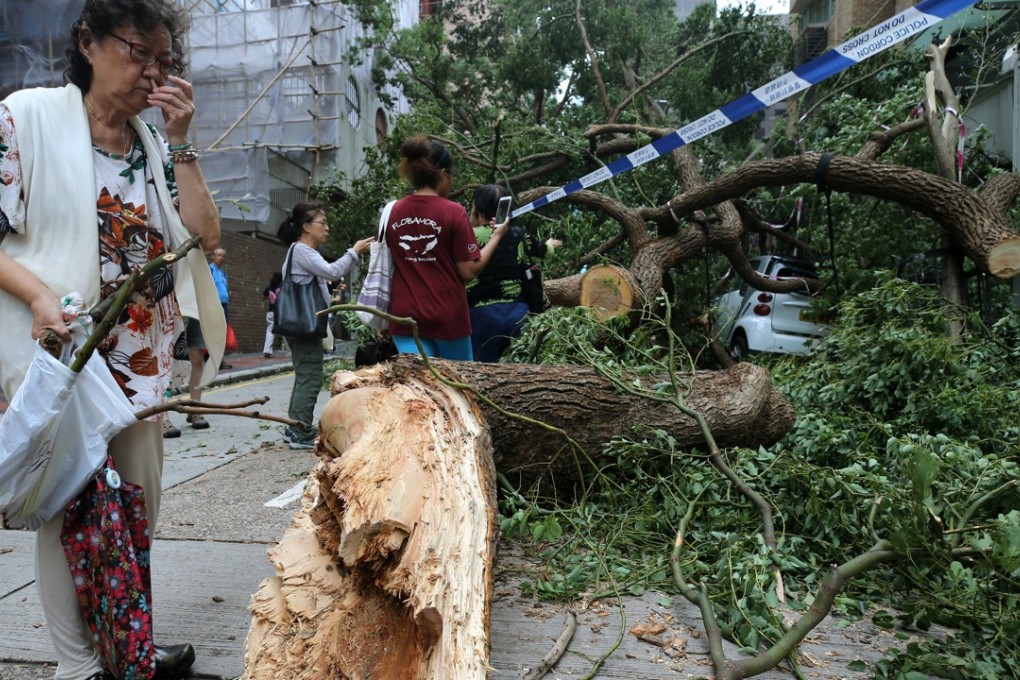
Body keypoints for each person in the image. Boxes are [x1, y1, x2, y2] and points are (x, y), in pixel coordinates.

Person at [0, 2, 226, 679]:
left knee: (134, 508)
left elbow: (204, 236)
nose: (152, 72)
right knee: (69, 505)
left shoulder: (152, 145)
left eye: (165, 61)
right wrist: (40, 297)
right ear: (89, 43)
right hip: (64, 352)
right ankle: (80, 666)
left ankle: (125, 644)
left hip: (142, 359)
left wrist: (181, 135)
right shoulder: (26, 117)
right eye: (139, 53)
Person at [384, 136, 508, 360]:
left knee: (418, 389)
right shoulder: (453, 212)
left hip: (405, 318)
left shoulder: (391, 212)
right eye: (451, 176)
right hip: (447, 317)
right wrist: (496, 236)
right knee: (457, 388)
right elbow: (468, 271)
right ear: (442, 174)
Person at [276, 203, 373, 449]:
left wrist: (328, 292)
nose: (327, 228)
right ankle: (300, 431)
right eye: (323, 222)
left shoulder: (300, 252)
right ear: (307, 227)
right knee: (310, 375)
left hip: (300, 324)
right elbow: (332, 271)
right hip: (303, 326)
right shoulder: (302, 250)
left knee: (304, 375)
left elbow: (318, 281)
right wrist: (354, 251)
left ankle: (294, 427)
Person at [467, 184, 562, 362]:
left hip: (481, 316)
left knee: (482, 373)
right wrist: (551, 245)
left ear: (479, 213)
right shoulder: (519, 234)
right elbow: (544, 250)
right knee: (521, 369)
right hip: (519, 314)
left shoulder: (469, 236)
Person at [162, 317, 211, 437]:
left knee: (197, 355)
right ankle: (163, 416)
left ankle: (195, 408)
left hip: (194, 303)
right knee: (164, 353)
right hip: (170, 301)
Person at [208, 247, 231, 369]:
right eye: (218, 255)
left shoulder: (223, 272)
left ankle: (220, 359)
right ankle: (214, 360)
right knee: (214, 333)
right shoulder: (209, 270)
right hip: (214, 305)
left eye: (223, 255)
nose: (221, 258)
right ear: (212, 256)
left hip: (224, 305)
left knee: (223, 333)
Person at [262, 270, 283, 358]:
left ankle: (267, 350)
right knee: (285, 329)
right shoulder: (282, 286)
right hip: (280, 311)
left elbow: (263, 296)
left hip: (271, 311)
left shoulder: (269, 287)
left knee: (270, 330)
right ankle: (291, 349)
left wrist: (268, 298)